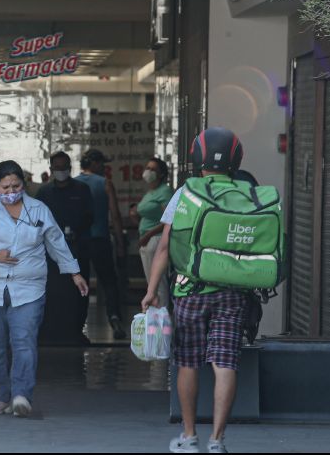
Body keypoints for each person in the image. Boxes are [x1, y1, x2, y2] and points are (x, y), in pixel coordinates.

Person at [142, 127, 250, 454]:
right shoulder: (247, 191)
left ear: (197, 158)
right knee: (225, 362)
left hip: (190, 290)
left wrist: (151, 291)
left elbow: (163, 248)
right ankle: (217, 440)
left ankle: (189, 437)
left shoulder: (186, 193)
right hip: (232, 291)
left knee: (187, 362)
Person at [0, 160, 89, 417]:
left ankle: (21, 396)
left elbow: (56, 242)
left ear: (24, 185)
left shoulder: (39, 210)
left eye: (16, 186)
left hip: (29, 287)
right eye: (5, 187)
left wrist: (74, 272)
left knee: (24, 341)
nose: (11, 191)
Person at [36, 152, 94, 345]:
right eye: (57, 167)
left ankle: (75, 331)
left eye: (64, 167)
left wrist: (76, 232)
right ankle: (50, 331)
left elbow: (90, 216)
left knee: (79, 292)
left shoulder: (82, 190)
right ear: (51, 169)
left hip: (78, 249)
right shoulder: (44, 193)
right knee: (52, 291)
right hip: (50, 254)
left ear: (70, 167)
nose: (61, 171)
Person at [75, 149, 127, 339]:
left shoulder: (73, 183)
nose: (104, 167)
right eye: (102, 163)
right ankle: (114, 318)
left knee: (81, 283)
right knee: (109, 282)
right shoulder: (105, 183)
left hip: (79, 242)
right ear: (93, 163)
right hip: (100, 240)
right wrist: (120, 244)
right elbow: (115, 215)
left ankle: (77, 325)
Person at [130, 158, 174, 306]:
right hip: (147, 240)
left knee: (157, 282)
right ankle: (155, 315)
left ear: (161, 174)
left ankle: (162, 317)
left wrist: (147, 235)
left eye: (153, 169)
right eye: (147, 167)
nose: (148, 171)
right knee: (151, 282)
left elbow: (168, 220)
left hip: (156, 239)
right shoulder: (151, 192)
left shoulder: (165, 192)